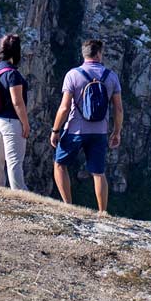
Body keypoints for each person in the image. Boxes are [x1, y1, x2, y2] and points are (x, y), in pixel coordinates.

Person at [50, 39, 123, 212]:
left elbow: (64, 107)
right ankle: (102, 212)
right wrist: (116, 132)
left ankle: (68, 207)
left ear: (84, 54)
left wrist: (55, 130)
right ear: (99, 53)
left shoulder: (73, 75)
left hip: (75, 129)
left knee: (59, 164)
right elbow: (118, 109)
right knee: (98, 172)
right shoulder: (111, 76)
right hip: (100, 132)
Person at [0, 33, 31, 191]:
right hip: (11, 122)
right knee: (14, 162)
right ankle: (19, 196)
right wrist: (25, 124)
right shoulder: (12, 74)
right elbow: (17, 102)